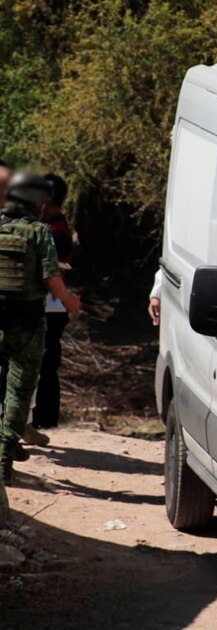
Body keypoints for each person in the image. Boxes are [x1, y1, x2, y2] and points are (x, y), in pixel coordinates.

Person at [0, 172, 80, 483]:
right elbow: (51, 278)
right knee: (20, 390)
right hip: (26, 324)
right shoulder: (39, 233)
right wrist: (69, 300)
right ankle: (5, 457)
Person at [33, 173, 75, 430]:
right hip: (45, 306)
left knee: (46, 366)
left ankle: (44, 421)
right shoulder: (47, 228)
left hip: (50, 308)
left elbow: (49, 272)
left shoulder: (56, 232)